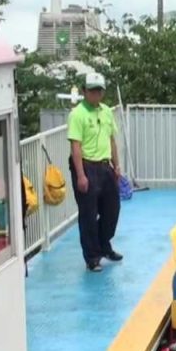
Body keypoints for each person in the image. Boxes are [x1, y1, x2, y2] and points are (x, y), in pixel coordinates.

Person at [68, 72, 122, 272]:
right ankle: (92, 257)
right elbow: (76, 146)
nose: (96, 94)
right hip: (86, 165)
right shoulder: (77, 114)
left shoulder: (106, 111)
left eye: (99, 91)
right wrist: (81, 175)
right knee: (89, 214)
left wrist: (116, 165)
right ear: (84, 91)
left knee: (112, 210)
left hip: (105, 165)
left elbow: (112, 140)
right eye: (92, 90)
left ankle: (104, 245)